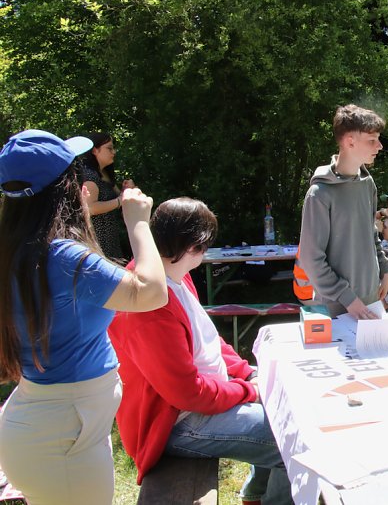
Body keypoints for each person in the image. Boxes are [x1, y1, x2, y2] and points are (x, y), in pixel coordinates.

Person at [0, 129, 167, 505]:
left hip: (57, 430)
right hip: (62, 438)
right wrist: (138, 221)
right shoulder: (62, 257)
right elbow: (152, 293)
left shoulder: (16, 251)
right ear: (63, 188)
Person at [108, 197, 291, 505]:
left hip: (199, 403)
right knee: (290, 439)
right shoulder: (148, 303)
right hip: (173, 425)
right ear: (193, 246)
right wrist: (246, 390)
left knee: (286, 411)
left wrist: (246, 372)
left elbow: (208, 340)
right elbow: (186, 393)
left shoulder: (174, 274)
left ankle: (255, 496)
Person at [299, 104, 388, 320]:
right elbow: (311, 259)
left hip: (371, 301)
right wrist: (347, 298)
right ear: (350, 141)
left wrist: (384, 269)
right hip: (336, 310)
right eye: (372, 140)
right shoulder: (319, 194)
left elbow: (371, 235)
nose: (379, 146)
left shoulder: (368, 185)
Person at [80, 132, 135, 261]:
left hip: (110, 238)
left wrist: (127, 190)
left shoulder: (104, 174)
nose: (114, 152)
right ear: (94, 150)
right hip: (97, 240)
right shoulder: (90, 175)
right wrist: (120, 200)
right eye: (109, 148)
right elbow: (90, 208)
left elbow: (120, 199)